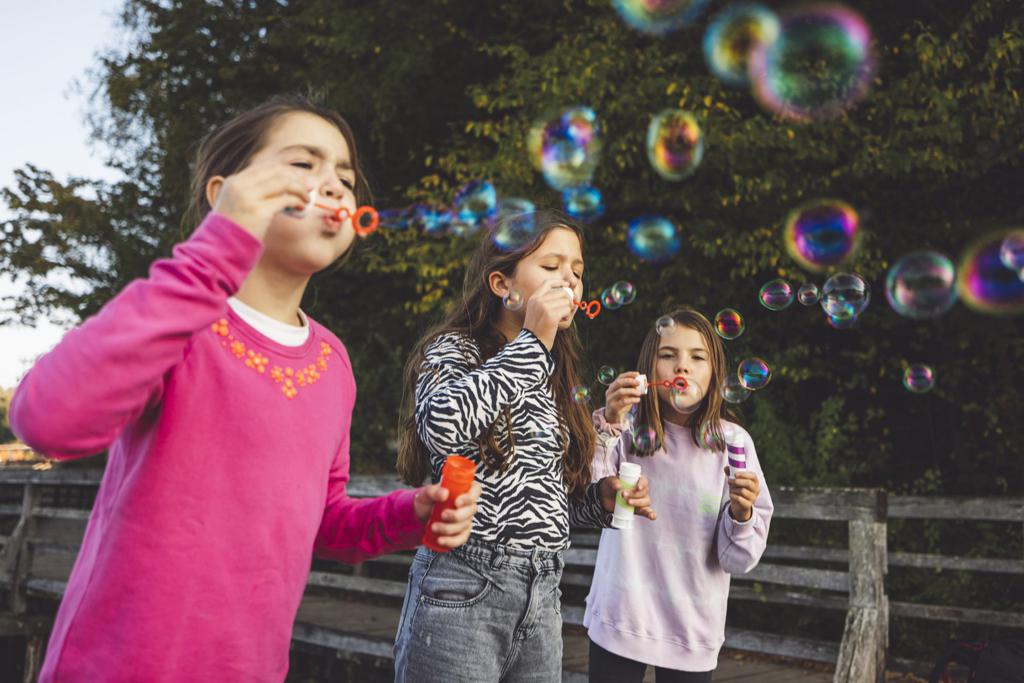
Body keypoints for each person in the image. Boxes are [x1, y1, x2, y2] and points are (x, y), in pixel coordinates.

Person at [9, 95, 480, 682]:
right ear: (222, 194)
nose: (332, 184)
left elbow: (323, 522)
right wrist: (215, 250)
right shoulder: (177, 316)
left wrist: (407, 514)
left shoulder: (332, 363)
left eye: (345, 176)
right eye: (304, 164)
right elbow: (46, 419)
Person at [392, 210, 655, 682]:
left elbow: (547, 504)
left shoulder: (552, 374)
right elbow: (443, 426)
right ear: (502, 284)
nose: (569, 281)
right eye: (551, 266)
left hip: (543, 595)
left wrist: (600, 500)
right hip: (463, 585)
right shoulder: (455, 350)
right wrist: (535, 341)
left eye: (577, 270)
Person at [585, 307, 773, 682]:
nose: (681, 367)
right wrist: (610, 421)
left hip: (692, 627)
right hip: (621, 613)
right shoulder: (621, 428)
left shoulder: (732, 443)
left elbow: (738, 560)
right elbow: (588, 500)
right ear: (647, 369)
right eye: (668, 355)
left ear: (715, 372)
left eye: (697, 357)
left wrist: (741, 513)